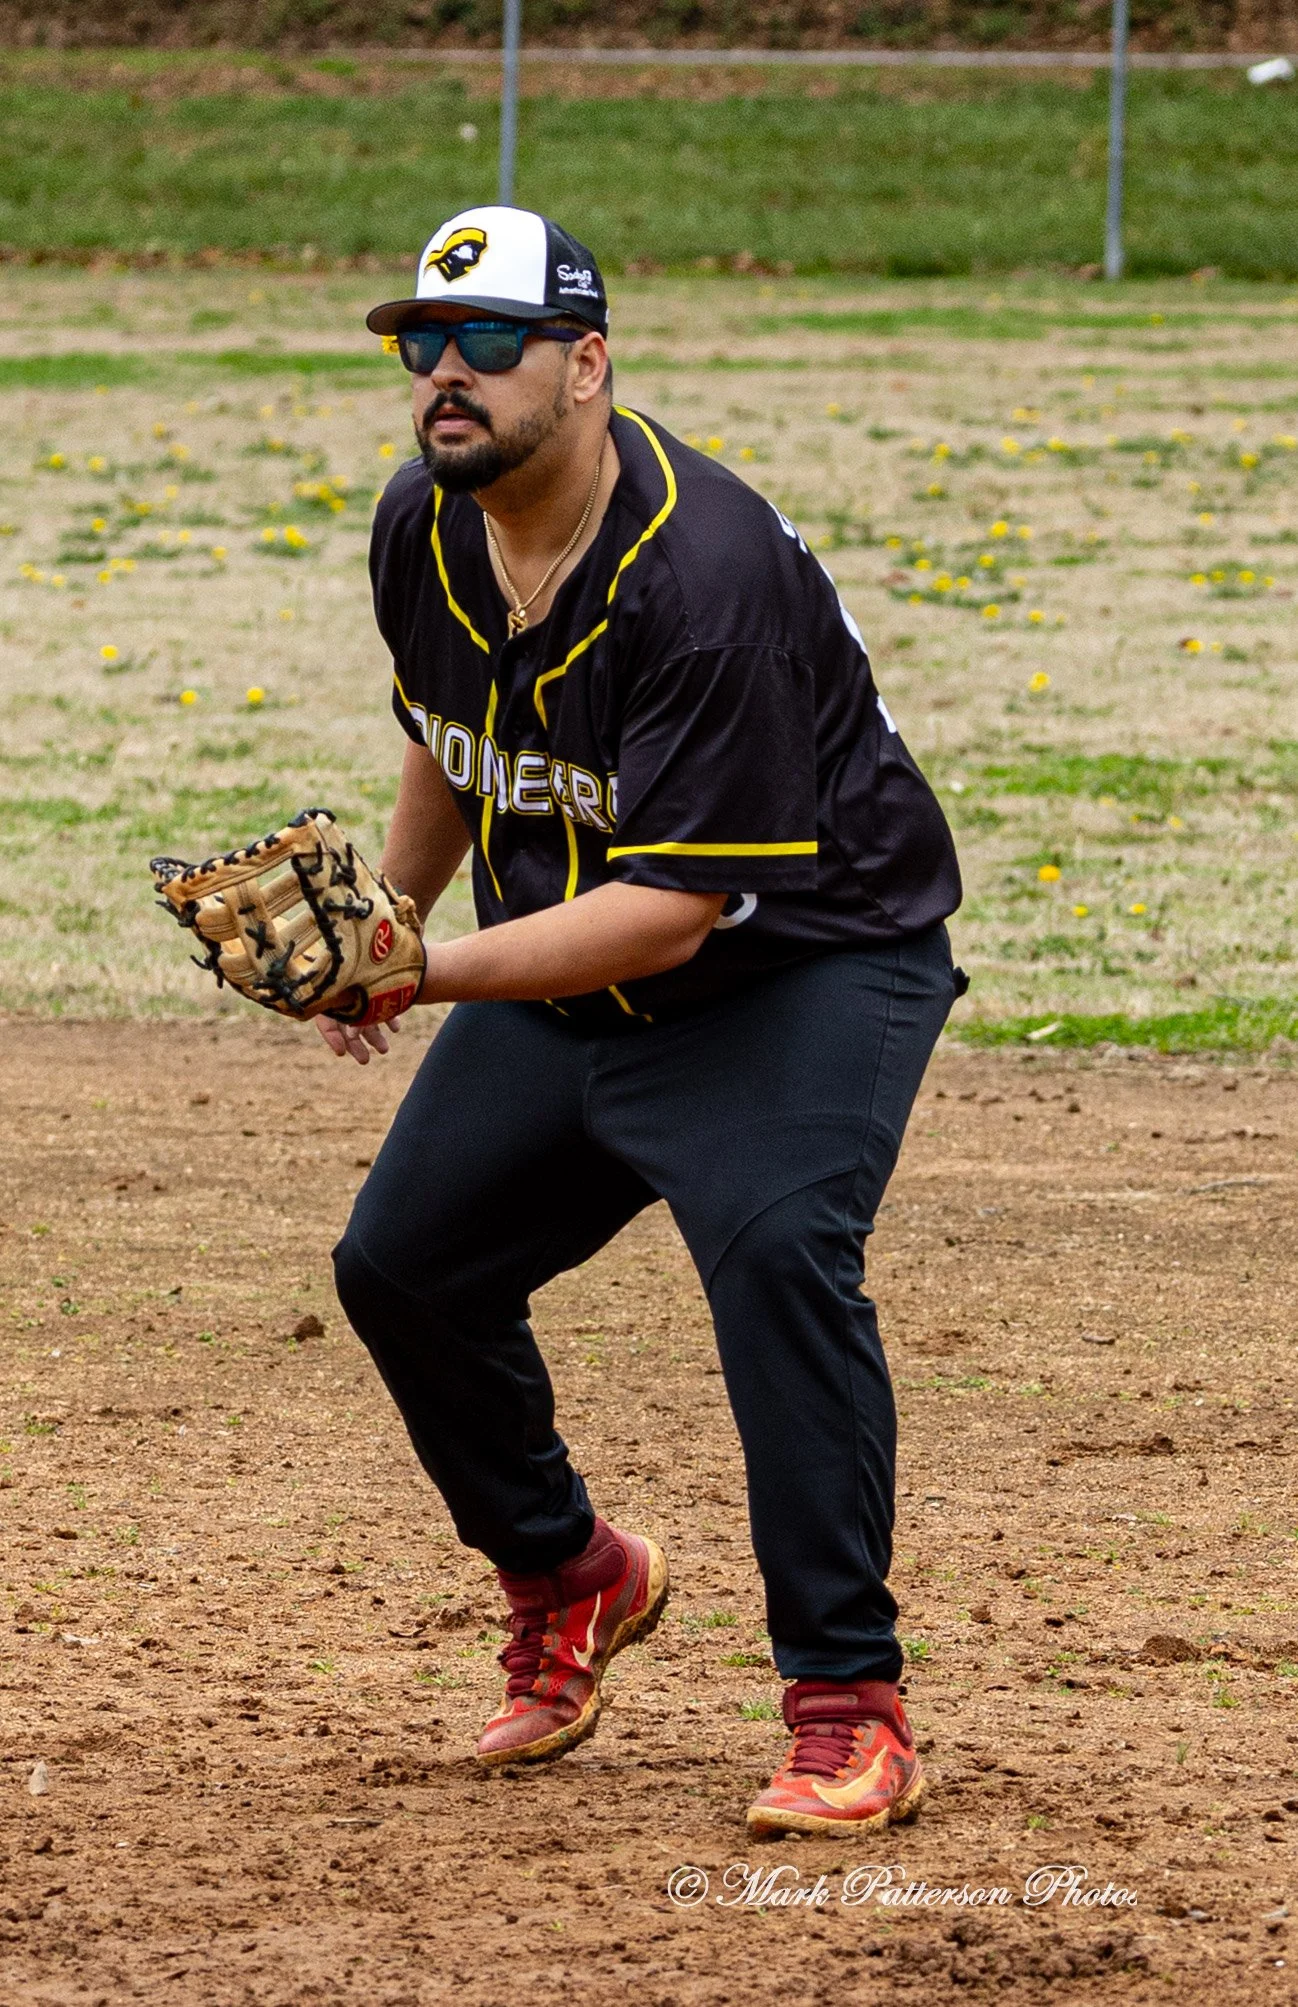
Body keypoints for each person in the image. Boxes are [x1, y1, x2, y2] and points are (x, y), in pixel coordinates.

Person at [328, 204, 965, 1837]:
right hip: (576, 957)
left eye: (488, 341)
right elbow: (450, 735)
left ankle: (848, 1702)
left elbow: (680, 908)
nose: (444, 375)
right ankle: (573, 1572)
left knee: (772, 1255)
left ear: (588, 362)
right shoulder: (425, 523)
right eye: (422, 342)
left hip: (804, 963)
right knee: (403, 1263)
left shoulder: (709, 574)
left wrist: (423, 970)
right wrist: (393, 920)